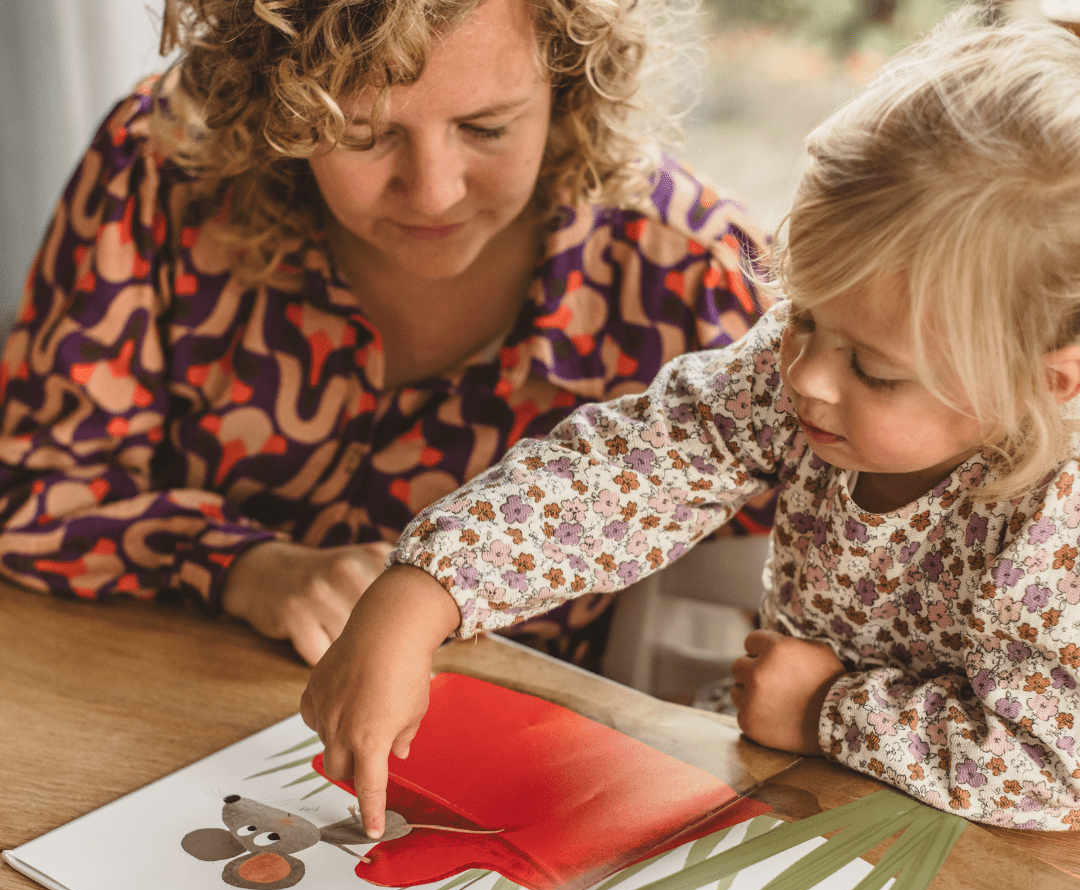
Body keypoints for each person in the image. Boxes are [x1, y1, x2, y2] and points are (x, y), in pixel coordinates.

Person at [301, 5, 1080, 838]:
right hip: (792, 788)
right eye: (802, 315)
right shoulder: (804, 375)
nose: (806, 376)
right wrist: (428, 588)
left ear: (1047, 383)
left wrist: (827, 708)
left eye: (875, 372)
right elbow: (633, 469)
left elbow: (1050, 769)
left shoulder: (1058, 521)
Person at [0, 0, 770, 669]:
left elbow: (810, 596)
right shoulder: (165, 166)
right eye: (362, 134)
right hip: (151, 700)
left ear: (568, 83)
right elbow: (34, 497)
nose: (433, 192)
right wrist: (243, 567)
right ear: (270, 101)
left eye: (487, 128)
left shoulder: (695, 279)